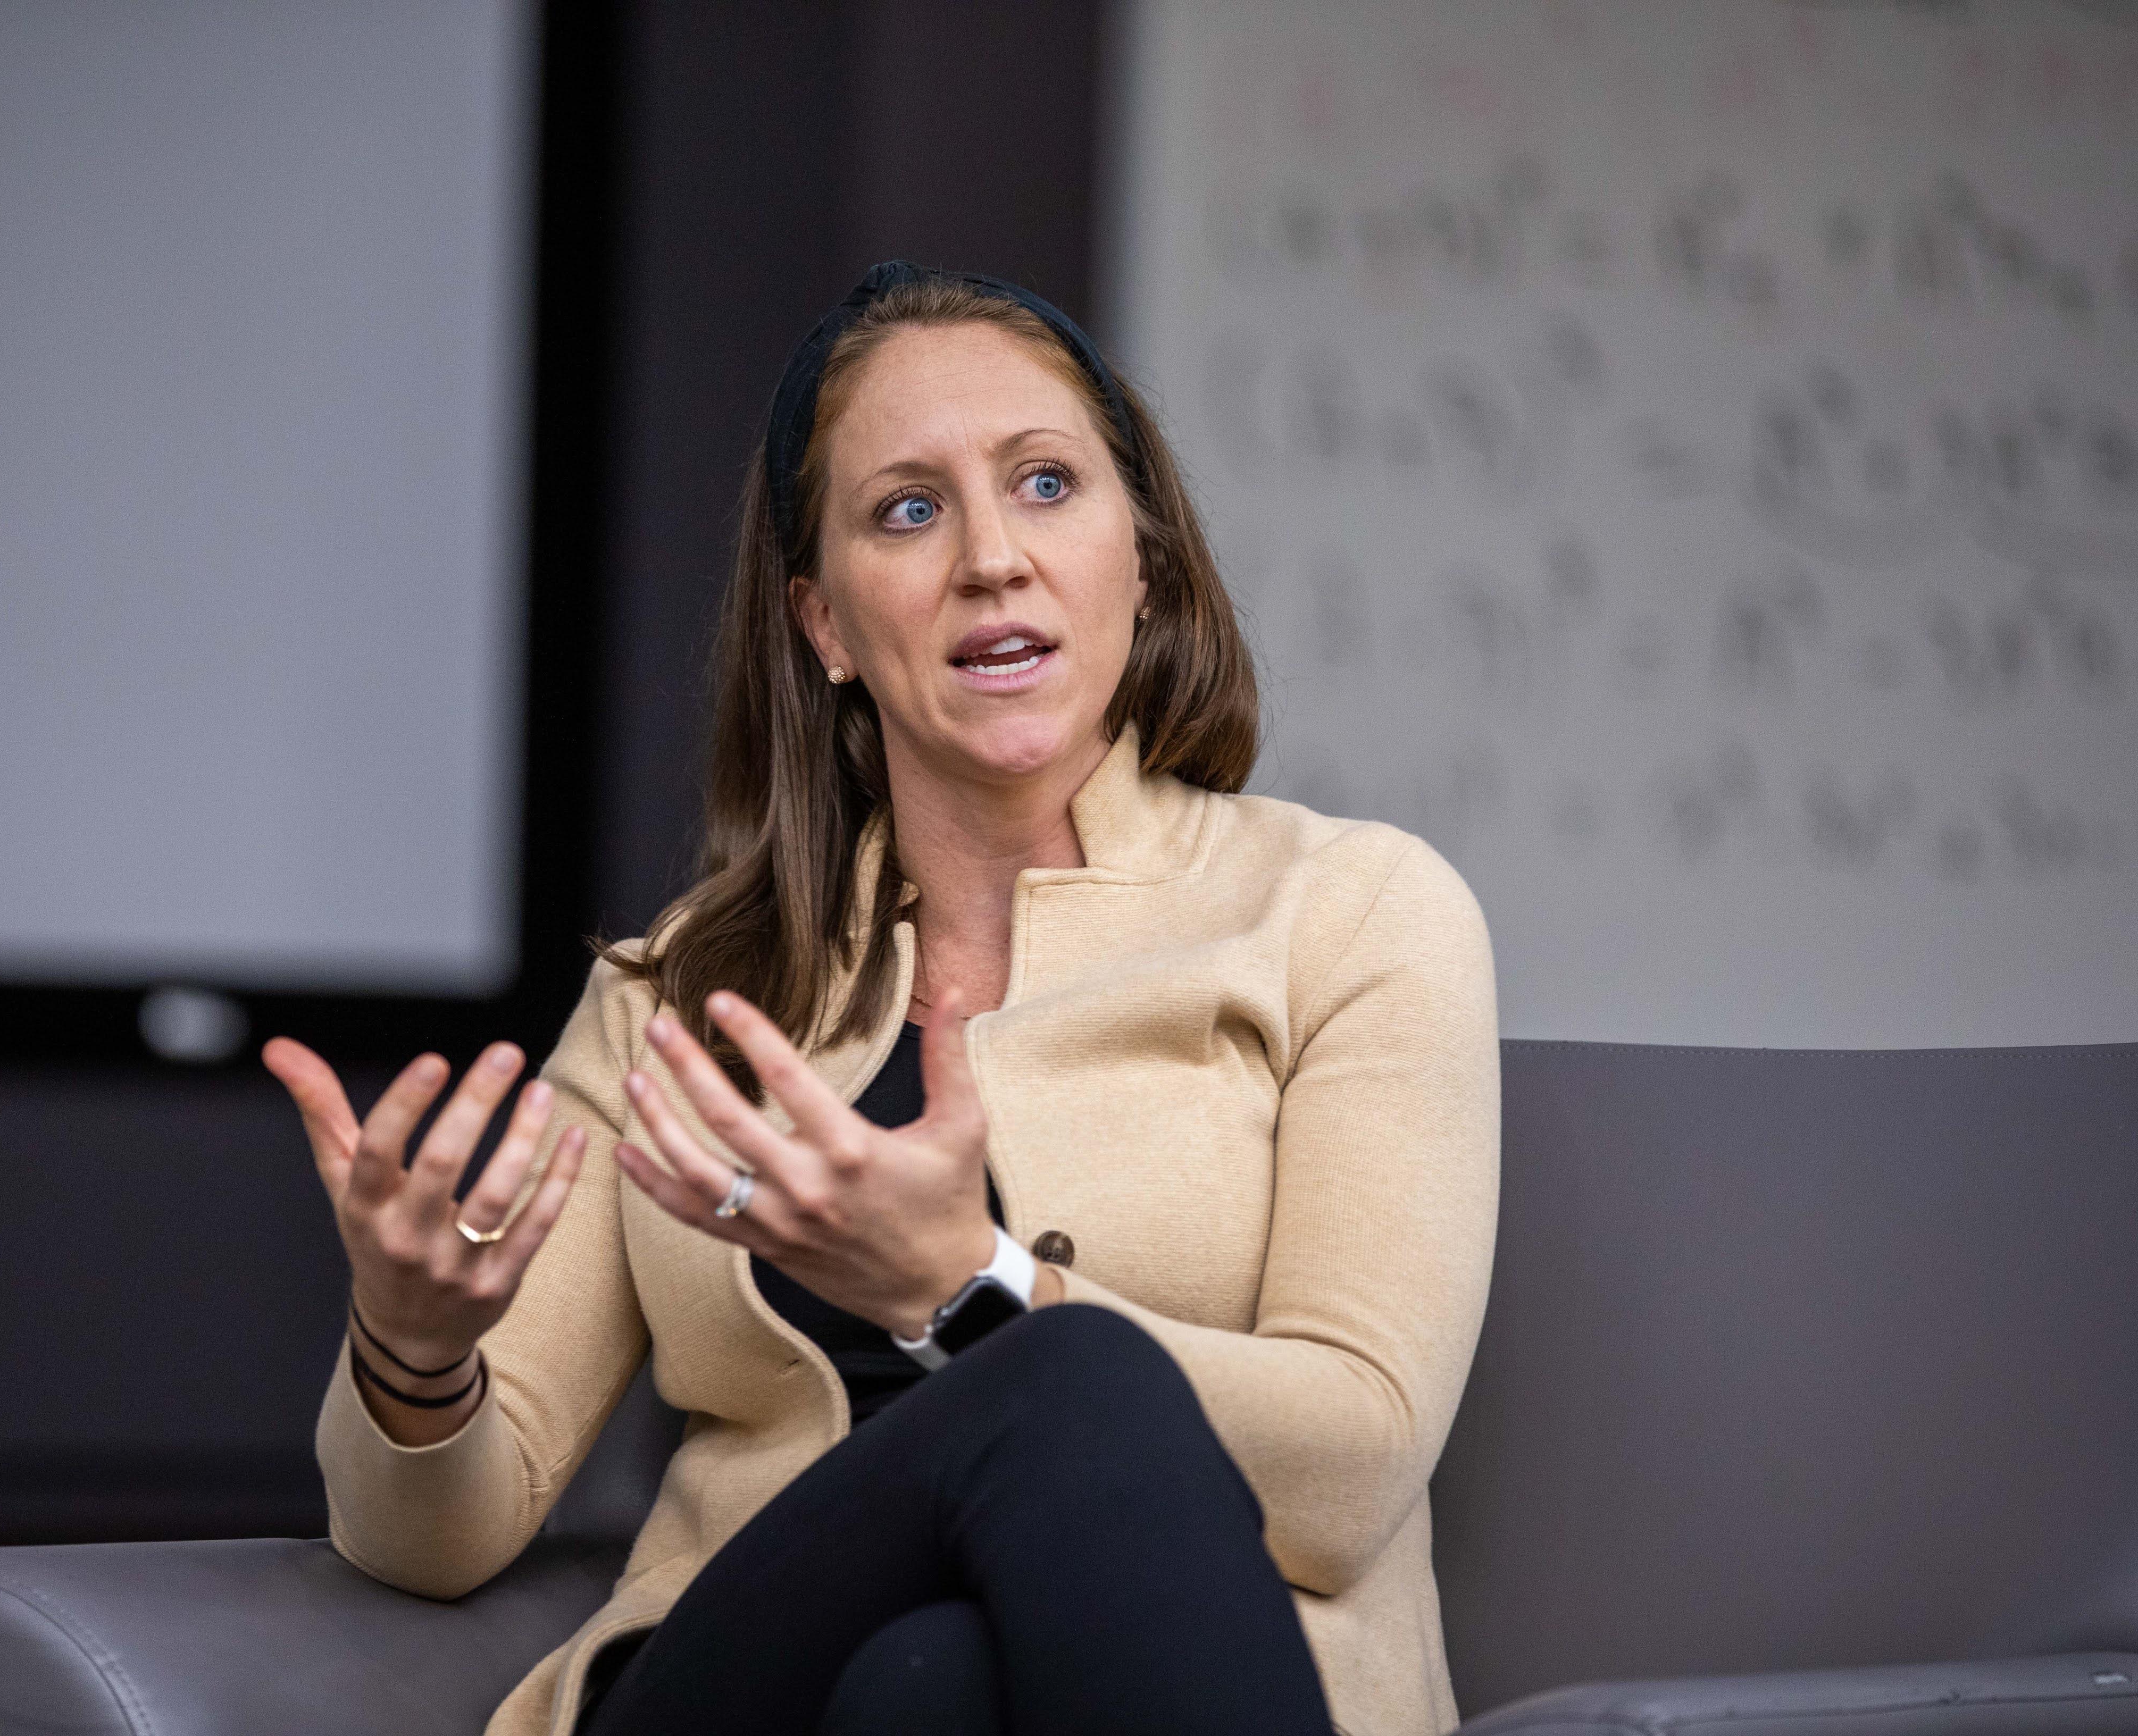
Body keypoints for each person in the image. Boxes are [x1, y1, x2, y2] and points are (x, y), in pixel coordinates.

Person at [263, 262, 1499, 1736]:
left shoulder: (1351, 910)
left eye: (1046, 484)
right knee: (1069, 1390)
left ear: (1143, 562)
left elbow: (1354, 1472)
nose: (991, 556)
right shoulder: (678, 991)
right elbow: (433, 1536)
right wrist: (413, 1346)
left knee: (932, 1689)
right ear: (825, 624)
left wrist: (958, 1289)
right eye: (907, 510)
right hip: (725, 1697)